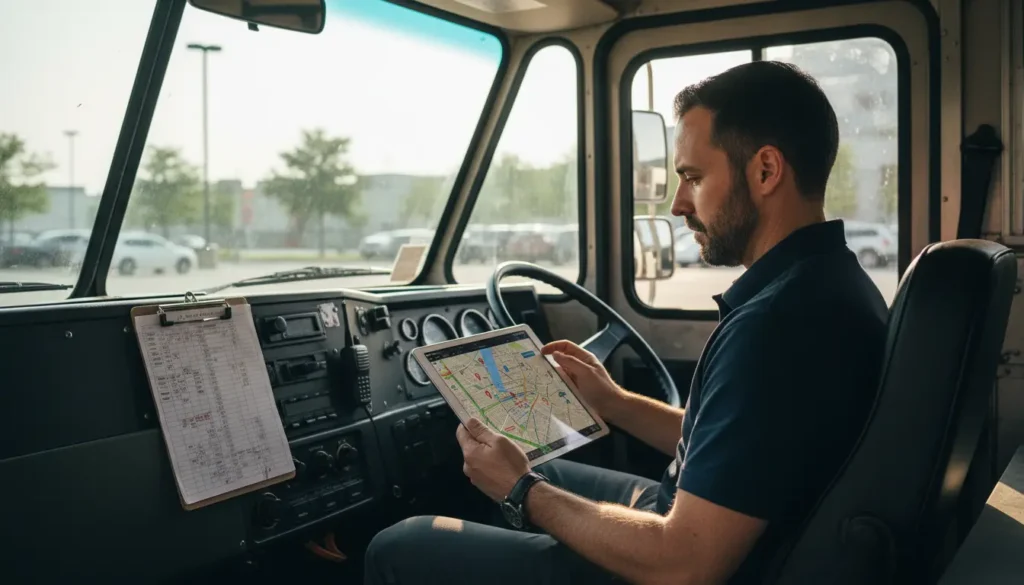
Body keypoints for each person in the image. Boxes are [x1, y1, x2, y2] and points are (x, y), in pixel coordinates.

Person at [363, 60, 889, 585]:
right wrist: (613, 402)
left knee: (400, 545)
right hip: (705, 518)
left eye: (693, 177)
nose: (678, 204)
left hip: (686, 556)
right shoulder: (826, 282)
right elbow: (742, 444)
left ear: (766, 171)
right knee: (511, 470)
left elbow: (685, 564)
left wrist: (521, 491)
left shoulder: (775, 329)